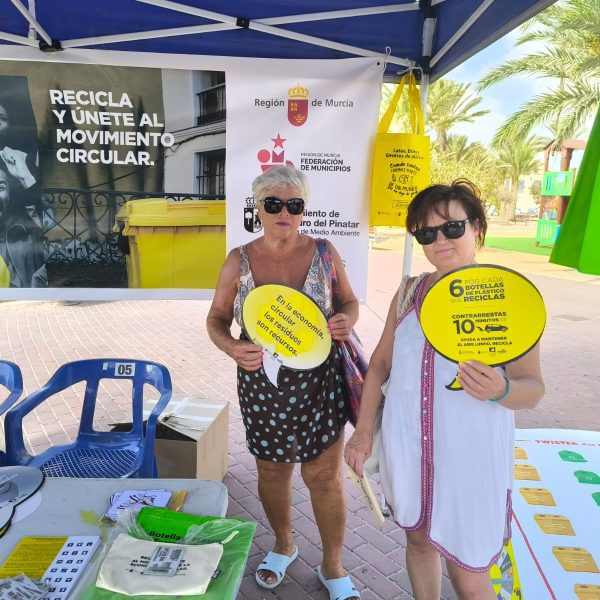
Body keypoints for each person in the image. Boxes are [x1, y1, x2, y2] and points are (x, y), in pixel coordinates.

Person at [345, 180, 544, 600]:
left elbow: (533, 388)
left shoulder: (507, 299)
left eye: (452, 228)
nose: (440, 241)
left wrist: (501, 388)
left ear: (477, 229)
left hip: (469, 456)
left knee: (467, 567)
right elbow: (380, 364)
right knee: (417, 539)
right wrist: (363, 431)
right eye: (426, 233)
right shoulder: (408, 292)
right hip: (410, 449)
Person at [207, 165, 361, 600]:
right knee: (273, 471)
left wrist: (346, 319)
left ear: (303, 209)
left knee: (325, 477)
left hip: (321, 384)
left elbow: (349, 300)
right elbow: (217, 320)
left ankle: (333, 565)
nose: (283, 213)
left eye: (293, 205)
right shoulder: (238, 260)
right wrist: (231, 347)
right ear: (257, 208)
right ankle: (284, 544)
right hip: (262, 386)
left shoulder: (325, 252)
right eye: (273, 204)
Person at [0, 159, 47, 287]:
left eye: (1, 187)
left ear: (10, 193)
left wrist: (26, 177)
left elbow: (56, 241)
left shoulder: (29, 235)